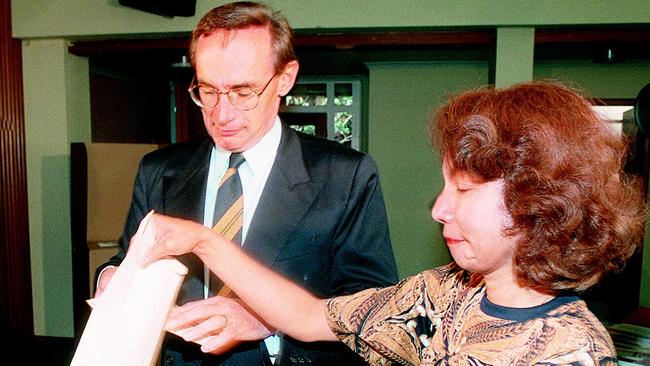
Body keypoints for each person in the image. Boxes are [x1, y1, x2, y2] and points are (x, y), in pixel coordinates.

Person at [141, 81, 647, 365]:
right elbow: (312, 317)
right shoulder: (442, 295)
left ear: (539, 203)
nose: (439, 209)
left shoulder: (573, 352)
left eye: (464, 190)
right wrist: (205, 241)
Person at [95, 2, 398, 365]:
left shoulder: (343, 176)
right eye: (207, 91)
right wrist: (110, 276)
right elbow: (126, 258)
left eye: (243, 92)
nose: (222, 114)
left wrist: (268, 321)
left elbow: (371, 310)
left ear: (285, 78)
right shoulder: (159, 170)